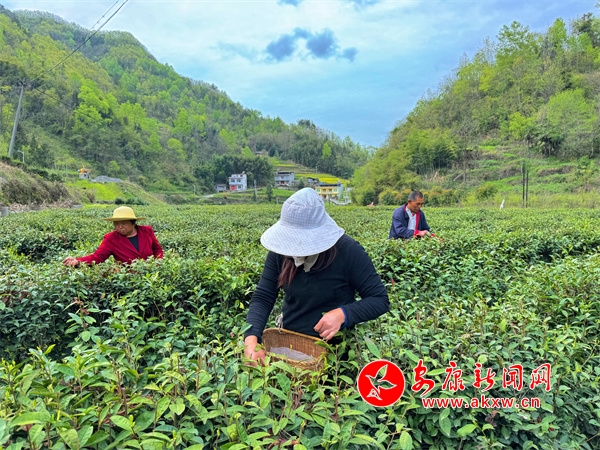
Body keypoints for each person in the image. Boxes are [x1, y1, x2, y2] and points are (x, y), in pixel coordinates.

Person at [244, 188, 389, 365]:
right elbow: (264, 296)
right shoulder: (280, 251)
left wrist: (343, 314)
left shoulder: (348, 251)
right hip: (290, 345)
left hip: (334, 354)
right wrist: (251, 338)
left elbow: (379, 299)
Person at [62, 206, 163, 266]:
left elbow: (157, 250)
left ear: (133, 223)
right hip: (128, 280)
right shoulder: (111, 238)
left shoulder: (146, 231)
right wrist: (77, 261)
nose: (120, 226)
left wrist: (157, 264)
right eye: (116, 224)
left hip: (151, 275)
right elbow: (98, 257)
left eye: (124, 223)